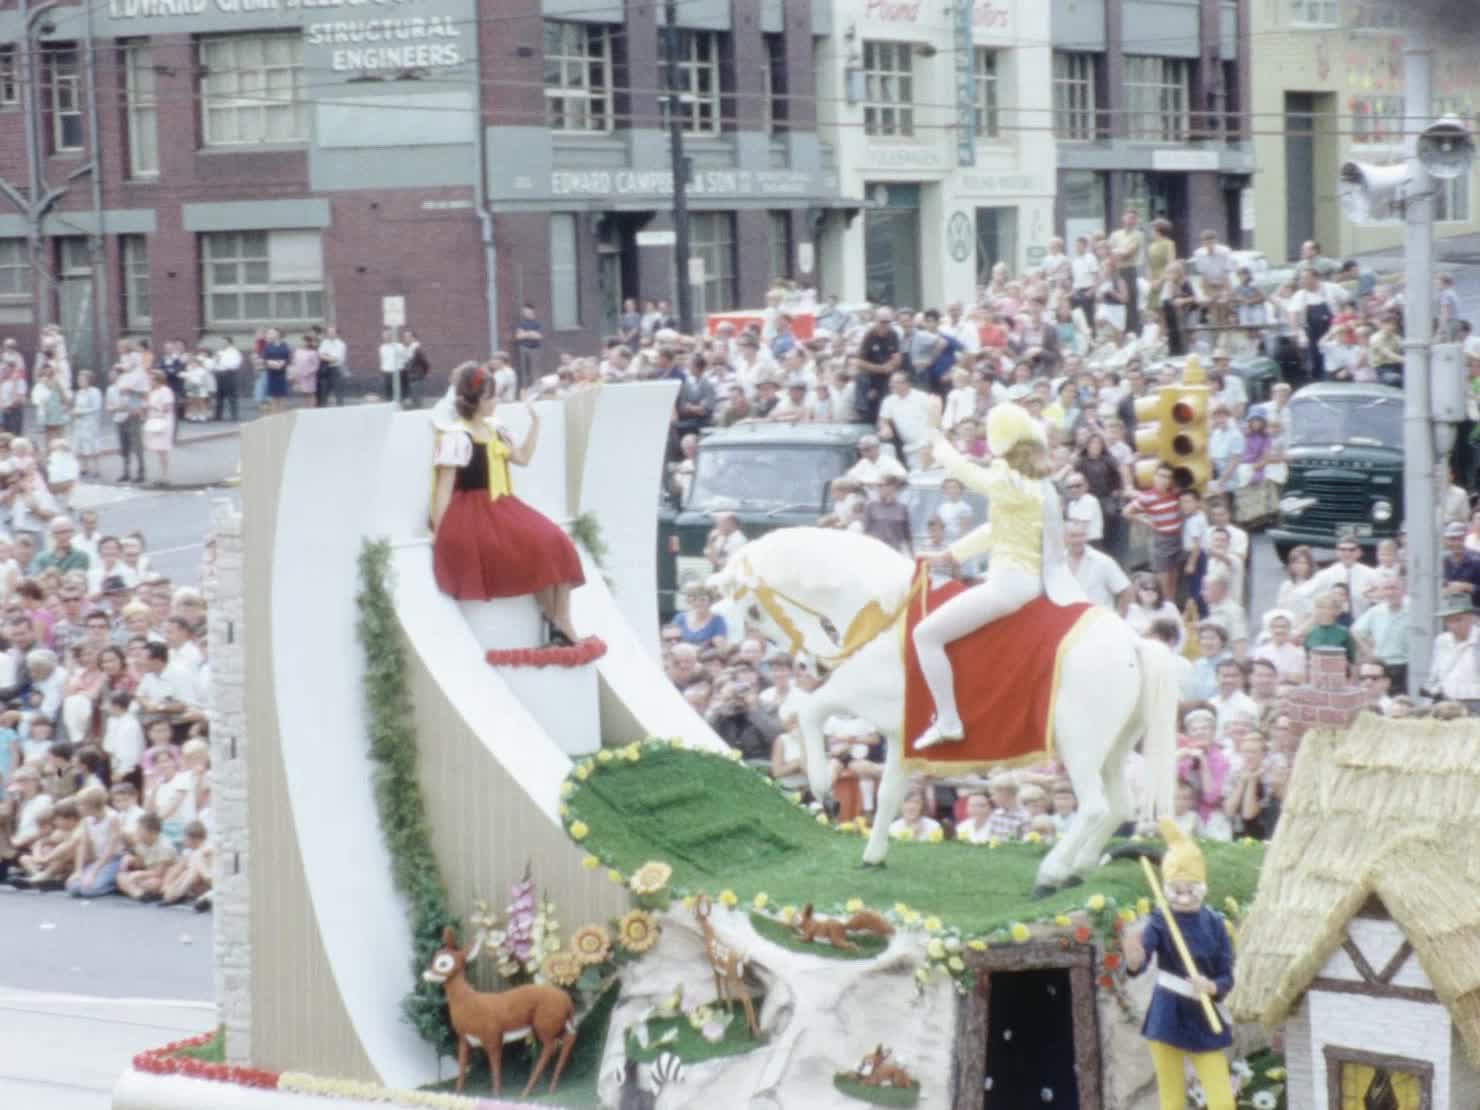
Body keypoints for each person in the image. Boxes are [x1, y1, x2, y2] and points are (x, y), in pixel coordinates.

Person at [912, 404, 1086, 750]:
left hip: (1009, 584)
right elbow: (996, 529)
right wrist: (952, 554)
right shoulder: (1035, 485)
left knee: (925, 635)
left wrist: (937, 439)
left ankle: (948, 720)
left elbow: (966, 473)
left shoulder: (1011, 483)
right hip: (1024, 580)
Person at [430, 365, 584, 644]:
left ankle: (560, 619)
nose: (496, 401)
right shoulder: (457, 435)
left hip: (503, 504)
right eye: (490, 396)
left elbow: (523, 458)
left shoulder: (496, 429)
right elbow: (444, 487)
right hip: (474, 510)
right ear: (474, 399)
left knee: (556, 541)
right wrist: (439, 532)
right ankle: (557, 620)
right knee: (538, 545)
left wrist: (535, 423)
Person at [1122, 818, 1236, 1110]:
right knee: (1171, 1098)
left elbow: (1227, 976)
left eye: (1191, 889)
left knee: (1222, 1100)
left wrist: (1211, 986)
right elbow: (1140, 962)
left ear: (1203, 887)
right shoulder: (1160, 920)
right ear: (1166, 888)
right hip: (1167, 1015)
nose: (1184, 897)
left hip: (1204, 1016)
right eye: (1176, 890)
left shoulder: (1215, 924)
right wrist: (1134, 957)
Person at [1064, 520, 1130, 613]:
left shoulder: (1103, 561)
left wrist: (1119, 617)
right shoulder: (1057, 564)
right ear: (1064, 537)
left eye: (1082, 535)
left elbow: (1126, 591)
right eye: (1073, 536)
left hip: (1098, 619)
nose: (1078, 540)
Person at [142, 369, 176, 487]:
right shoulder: (152, 392)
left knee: (162, 450)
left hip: (163, 422)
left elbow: (167, 408)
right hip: (154, 421)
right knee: (157, 450)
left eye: (151, 379)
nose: (149, 382)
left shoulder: (165, 391)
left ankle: (165, 476)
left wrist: (152, 407)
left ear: (158, 380)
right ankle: (161, 475)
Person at [70, 370, 103, 479]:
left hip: (90, 422)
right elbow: (77, 406)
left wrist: (82, 412)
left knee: (93, 445)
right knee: (81, 445)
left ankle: (96, 469)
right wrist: (74, 412)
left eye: (82, 379)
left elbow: (96, 407)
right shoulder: (79, 393)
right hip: (79, 423)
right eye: (79, 379)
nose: (80, 381)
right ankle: (84, 468)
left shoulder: (95, 392)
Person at [258, 328, 291, 416]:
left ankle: (282, 416)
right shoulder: (268, 346)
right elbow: (264, 359)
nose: (269, 335)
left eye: (272, 333)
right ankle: (274, 416)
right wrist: (270, 363)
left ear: (278, 334)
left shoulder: (285, 346)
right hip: (272, 374)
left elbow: (288, 358)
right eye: (269, 333)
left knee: (282, 398)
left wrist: (283, 363)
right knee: (273, 398)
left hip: (282, 374)